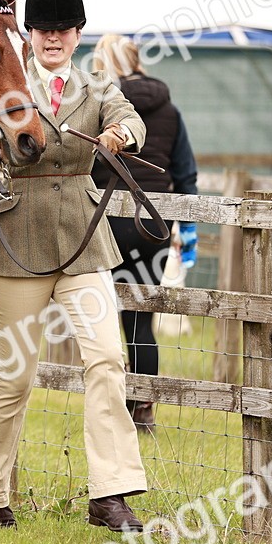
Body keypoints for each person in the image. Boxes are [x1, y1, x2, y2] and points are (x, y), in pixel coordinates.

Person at [0, 0, 148, 531]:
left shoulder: (97, 87)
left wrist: (120, 138)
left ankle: (110, 494)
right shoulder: (5, 82)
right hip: (17, 245)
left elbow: (133, 120)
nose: (52, 38)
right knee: (15, 376)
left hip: (83, 245)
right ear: (28, 34)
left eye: (62, 29)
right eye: (42, 29)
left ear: (78, 34)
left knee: (107, 358)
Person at [89, 34, 199, 433]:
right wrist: (186, 228)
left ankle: (109, 403)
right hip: (154, 224)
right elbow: (186, 173)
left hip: (106, 222)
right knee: (141, 320)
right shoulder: (170, 108)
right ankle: (144, 409)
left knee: (100, 316)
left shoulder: (102, 104)